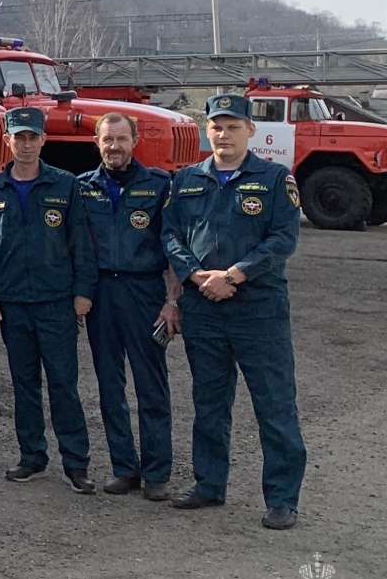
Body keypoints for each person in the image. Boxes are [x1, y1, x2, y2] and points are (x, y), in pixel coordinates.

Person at [162, 93, 307, 530]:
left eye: (232, 126)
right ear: (207, 131)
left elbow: (284, 239)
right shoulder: (187, 179)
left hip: (258, 307)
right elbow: (169, 236)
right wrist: (197, 278)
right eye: (216, 126)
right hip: (203, 306)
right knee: (208, 401)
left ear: (251, 131)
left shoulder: (275, 178)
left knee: (274, 403)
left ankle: (282, 498)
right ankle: (209, 484)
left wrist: (236, 275)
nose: (223, 134)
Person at [0, 106, 97, 492]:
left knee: (63, 383)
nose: (25, 144)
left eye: (32, 137)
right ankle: (32, 457)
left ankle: (76, 463)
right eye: (18, 137)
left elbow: (81, 243)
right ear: (7, 140)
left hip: (56, 301)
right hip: (12, 303)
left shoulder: (65, 184)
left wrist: (82, 292)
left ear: (44, 140)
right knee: (24, 384)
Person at [78, 113, 182, 500]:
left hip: (144, 292)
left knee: (151, 384)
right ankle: (124, 467)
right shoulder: (82, 188)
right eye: (108, 140)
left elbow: (172, 246)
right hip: (102, 292)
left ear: (135, 140)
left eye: (122, 139)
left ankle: (157, 473)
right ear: (97, 142)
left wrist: (172, 300)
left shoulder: (159, 185)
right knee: (109, 385)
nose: (115, 146)